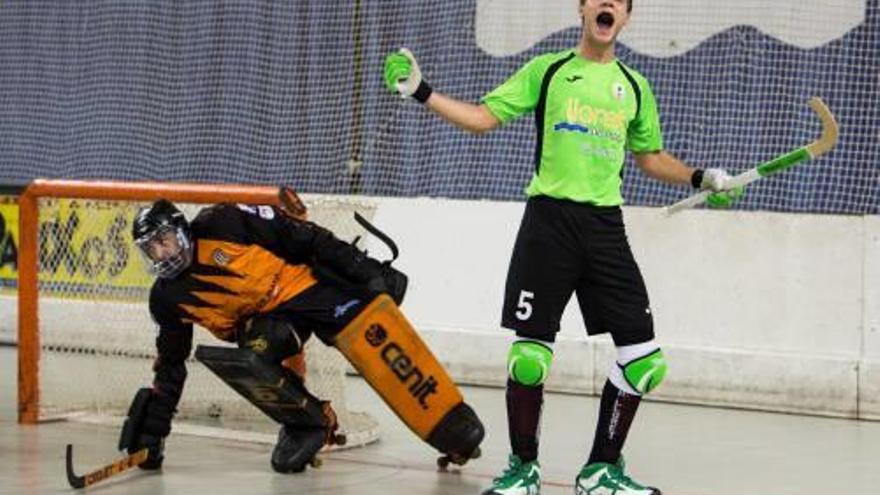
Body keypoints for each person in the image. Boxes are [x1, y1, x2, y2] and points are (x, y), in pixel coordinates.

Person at [383, 0, 742, 493]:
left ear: (627, 16)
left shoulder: (635, 87)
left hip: (605, 229)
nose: (607, 4)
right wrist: (420, 92)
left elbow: (650, 158)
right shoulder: (547, 71)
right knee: (529, 358)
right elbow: (484, 118)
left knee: (644, 361)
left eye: (619, 0)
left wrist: (703, 177)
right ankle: (523, 468)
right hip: (548, 224)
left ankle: (601, 470)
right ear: (583, 8)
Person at [121, 197, 483, 474]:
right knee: (249, 361)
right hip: (265, 325)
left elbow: (301, 237)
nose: (161, 254)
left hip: (307, 288)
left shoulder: (223, 221)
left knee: (374, 336)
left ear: (181, 230)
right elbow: (170, 363)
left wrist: (361, 268)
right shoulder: (167, 298)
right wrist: (156, 427)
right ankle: (310, 422)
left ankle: (452, 429)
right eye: (151, 249)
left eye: (164, 241)